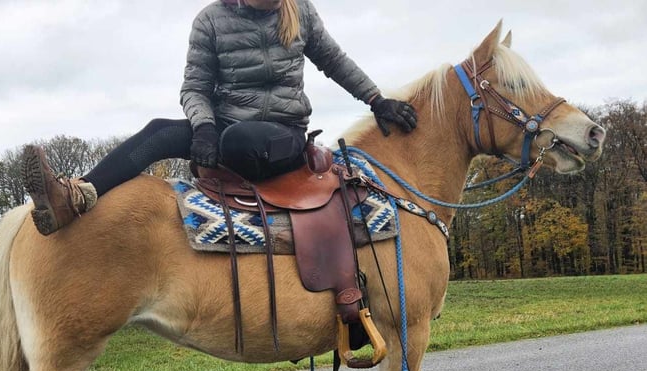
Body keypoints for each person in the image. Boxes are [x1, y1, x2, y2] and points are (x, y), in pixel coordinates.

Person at [23, 0, 417, 235]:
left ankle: (226, 144)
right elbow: (194, 87)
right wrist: (204, 128)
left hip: (283, 135)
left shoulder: (300, 11)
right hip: (226, 125)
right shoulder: (210, 20)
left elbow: (334, 61)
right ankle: (77, 195)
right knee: (159, 132)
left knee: (238, 141)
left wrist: (376, 99)